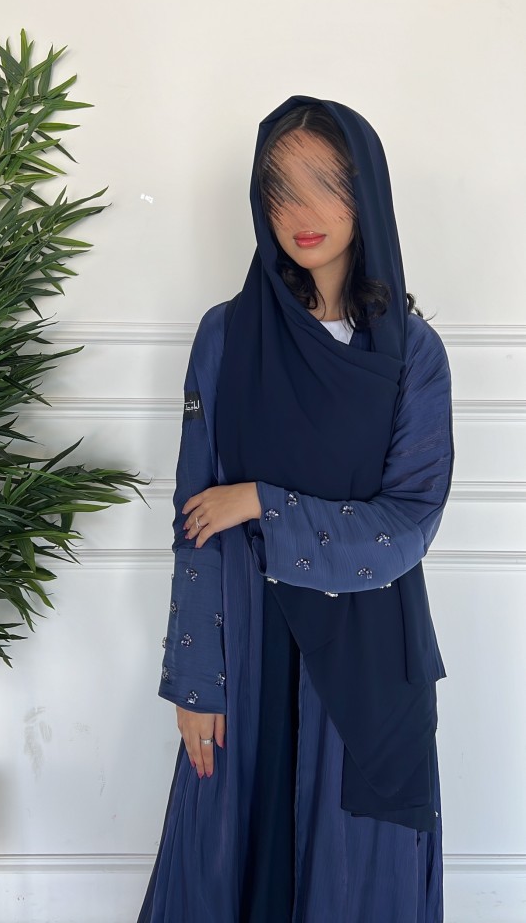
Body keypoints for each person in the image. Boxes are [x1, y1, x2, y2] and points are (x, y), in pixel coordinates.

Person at [136, 95, 454, 923]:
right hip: (247, 652)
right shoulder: (225, 337)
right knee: (230, 860)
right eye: (280, 188)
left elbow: (407, 524)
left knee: (354, 883)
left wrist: (262, 504)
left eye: (326, 184)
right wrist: (195, 682)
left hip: (367, 672)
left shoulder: (411, 354)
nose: (301, 212)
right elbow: (195, 525)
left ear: (367, 192)